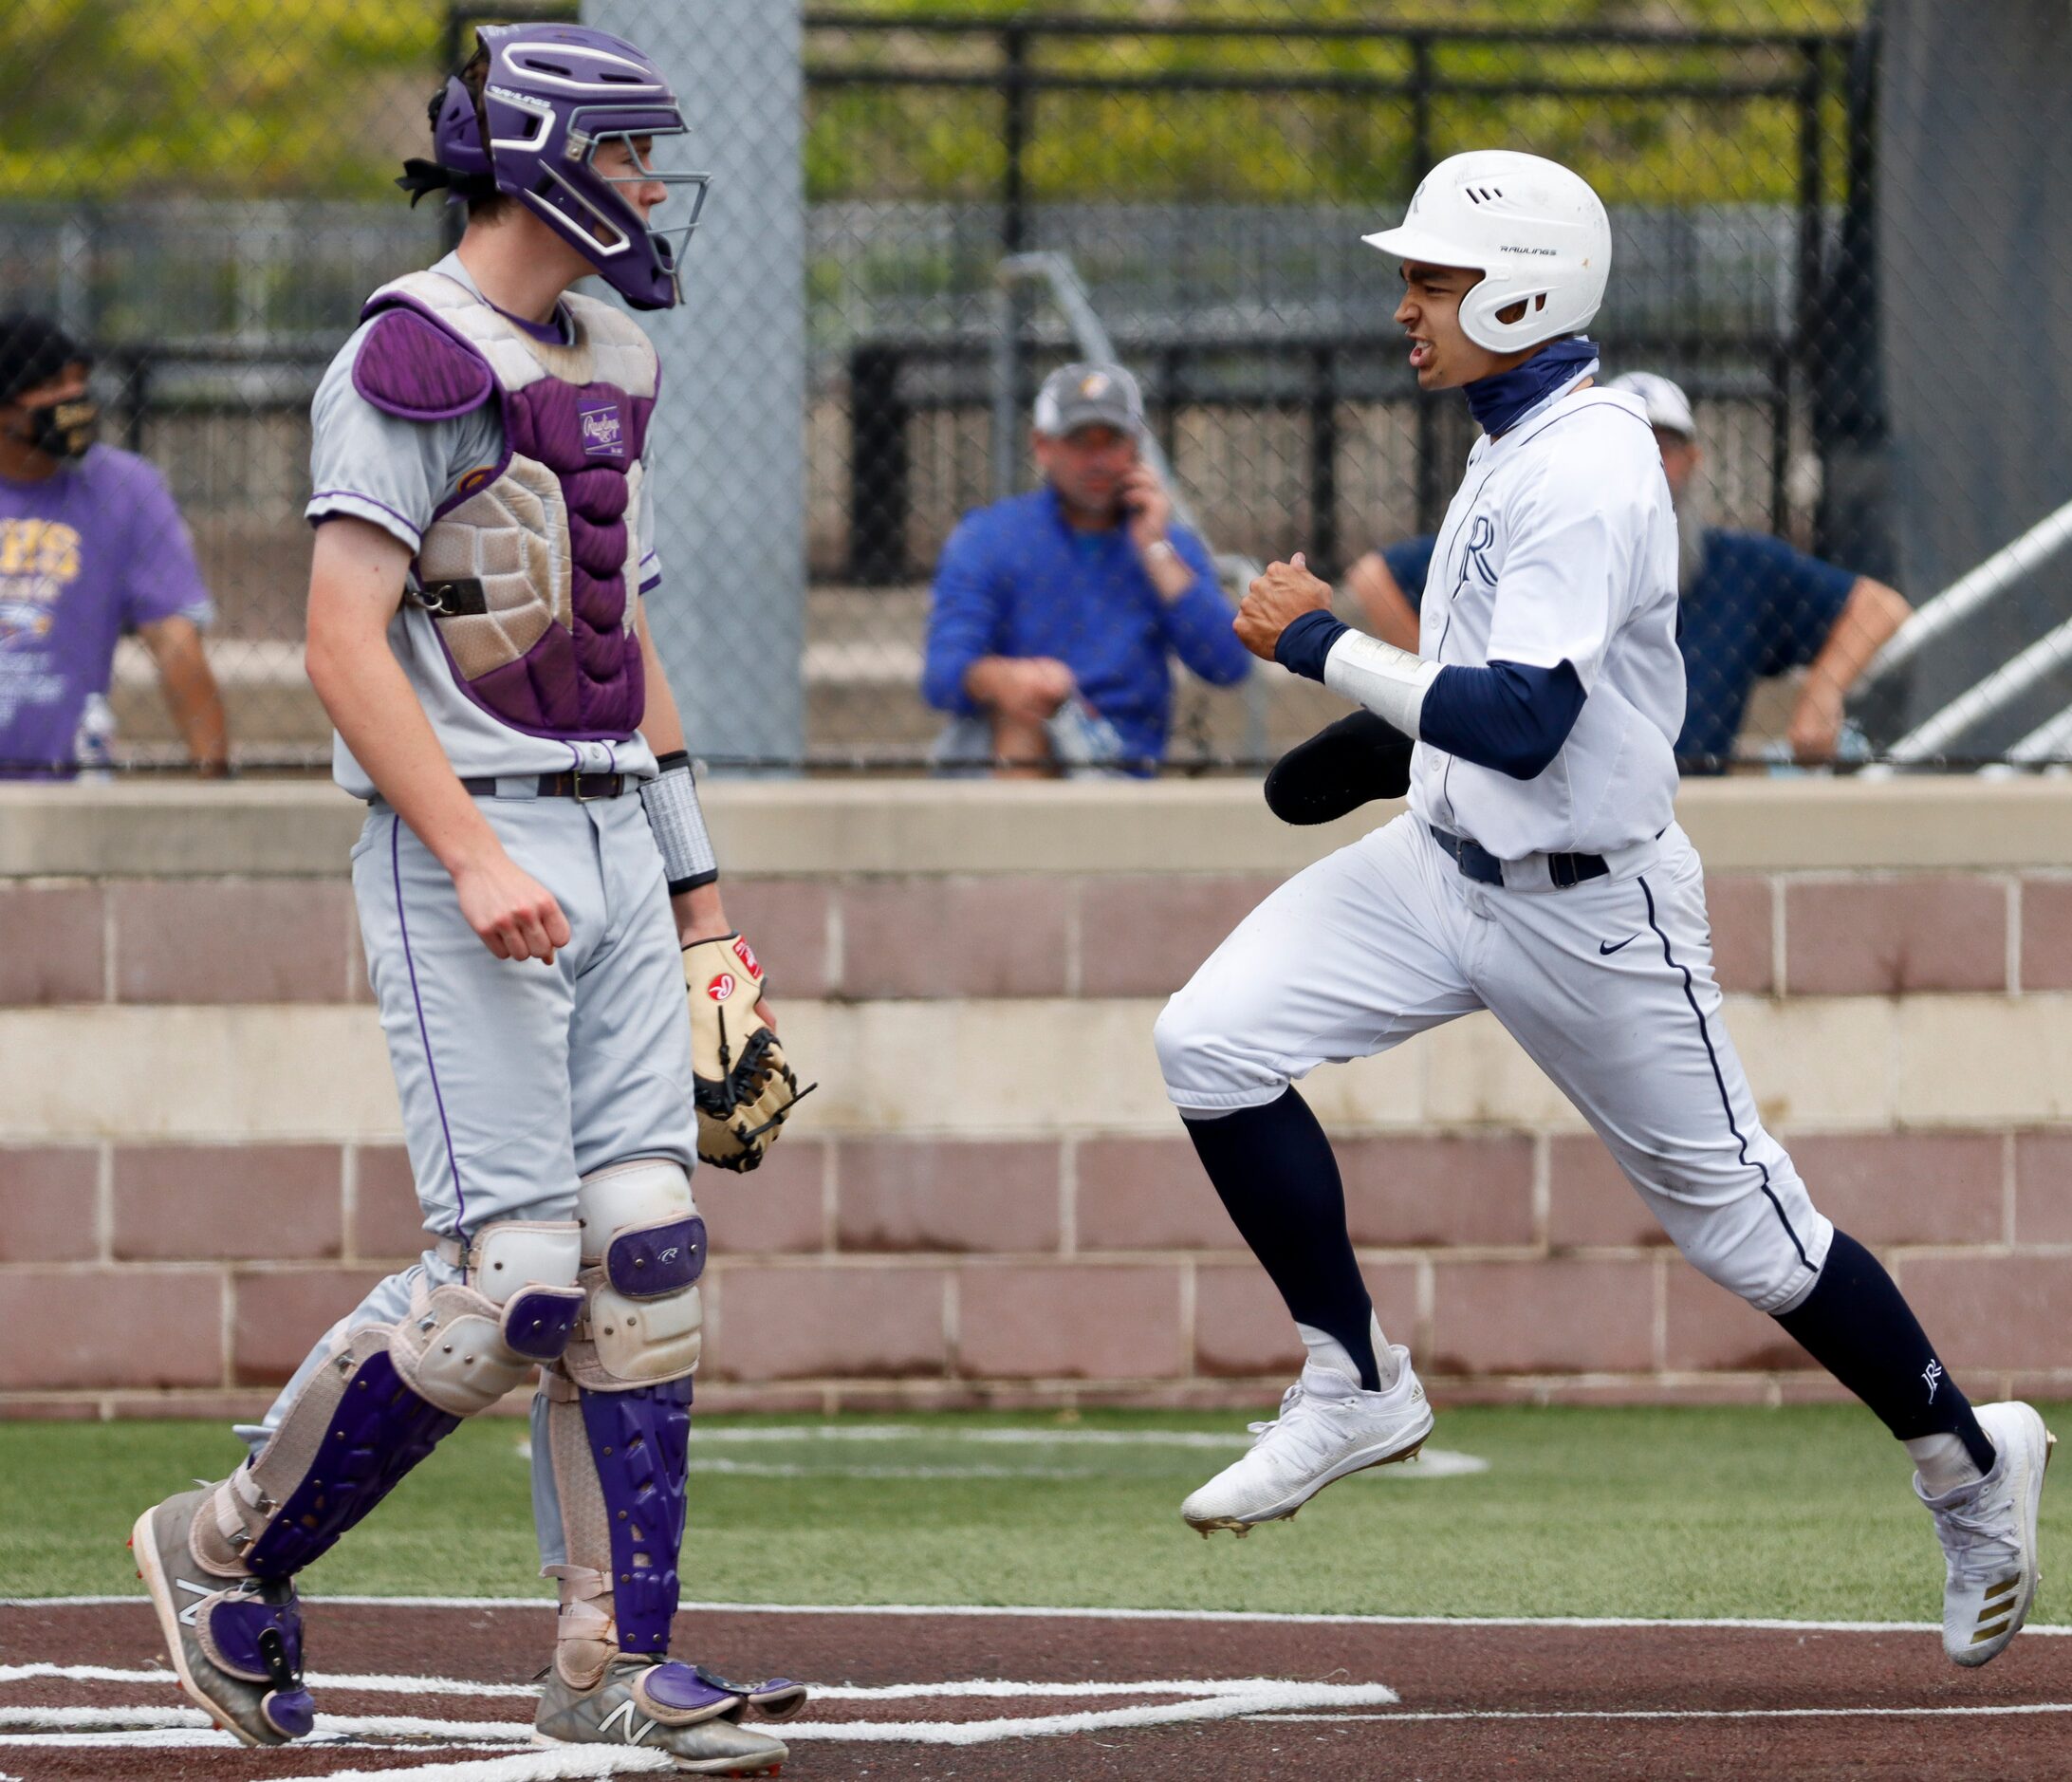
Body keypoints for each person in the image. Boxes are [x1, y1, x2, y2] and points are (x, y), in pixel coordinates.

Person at [1153, 150, 2054, 1671]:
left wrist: (1320, 645)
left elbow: (1517, 721)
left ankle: (1968, 1465)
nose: (1404, 306)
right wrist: (1364, 741)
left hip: (1589, 909)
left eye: (1432, 281)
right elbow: (1488, 698)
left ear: (1522, 288)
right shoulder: (1509, 438)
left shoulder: (1584, 458)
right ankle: (1352, 1375)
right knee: (1207, 1044)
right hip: (1441, 866)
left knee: (1751, 1235)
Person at [128, 26, 807, 1773]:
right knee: (508, 1277)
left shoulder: (619, 353)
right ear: (543, 156)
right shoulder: (406, 351)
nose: (654, 189)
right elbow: (338, 640)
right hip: (472, 845)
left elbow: (622, 637)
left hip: (610, 836)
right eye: (632, 155)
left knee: (644, 1253)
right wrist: (468, 849)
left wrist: (704, 897)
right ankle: (224, 1552)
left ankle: (612, 1656)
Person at [920, 362, 1251, 775]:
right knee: (1021, 724)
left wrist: (1154, 548)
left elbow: (1228, 665)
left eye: (1111, 441)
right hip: (1008, 752)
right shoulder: (989, 537)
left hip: (1118, 762)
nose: (1097, 460)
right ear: (1043, 446)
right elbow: (941, 674)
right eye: (1080, 442)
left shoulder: (1167, 545)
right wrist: (1005, 679)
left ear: (1136, 447)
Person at [1609, 369, 1912, 770]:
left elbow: (1880, 606)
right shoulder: (1553, 559)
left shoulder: (1741, 566)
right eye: (1622, 445)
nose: (1645, 462)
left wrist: (1822, 691)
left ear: (1694, 459)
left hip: (1692, 803)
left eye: (1663, 445)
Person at [0, 314, 228, 776]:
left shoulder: (125, 488)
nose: (74, 400)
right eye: (51, 385)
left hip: (70, 781)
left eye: (80, 381)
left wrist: (216, 781)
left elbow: (174, 640)